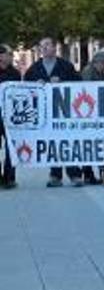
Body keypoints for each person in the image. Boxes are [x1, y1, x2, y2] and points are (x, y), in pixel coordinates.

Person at [24, 37, 83, 187]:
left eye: (48, 45)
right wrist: (34, 85)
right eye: (42, 46)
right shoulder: (34, 68)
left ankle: (75, 175)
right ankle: (55, 175)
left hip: (65, 111)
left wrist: (62, 82)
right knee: (53, 143)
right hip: (46, 114)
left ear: (55, 48)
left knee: (67, 142)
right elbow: (25, 87)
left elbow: (79, 84)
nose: (44, 48)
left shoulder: (66, 66)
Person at [80, 51, 104, 185]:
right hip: (90, 114)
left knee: (101, 145)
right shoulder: (89, 72)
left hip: (100, 114)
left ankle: (103, 172)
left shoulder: (102, 73)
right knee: (91, 145)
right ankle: (89, 173)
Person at [0, 44, 20, 189]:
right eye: (9, 54)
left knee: (11, 147)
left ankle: (9, 178)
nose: (11, 57)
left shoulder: (15, 73)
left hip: (10, 116)